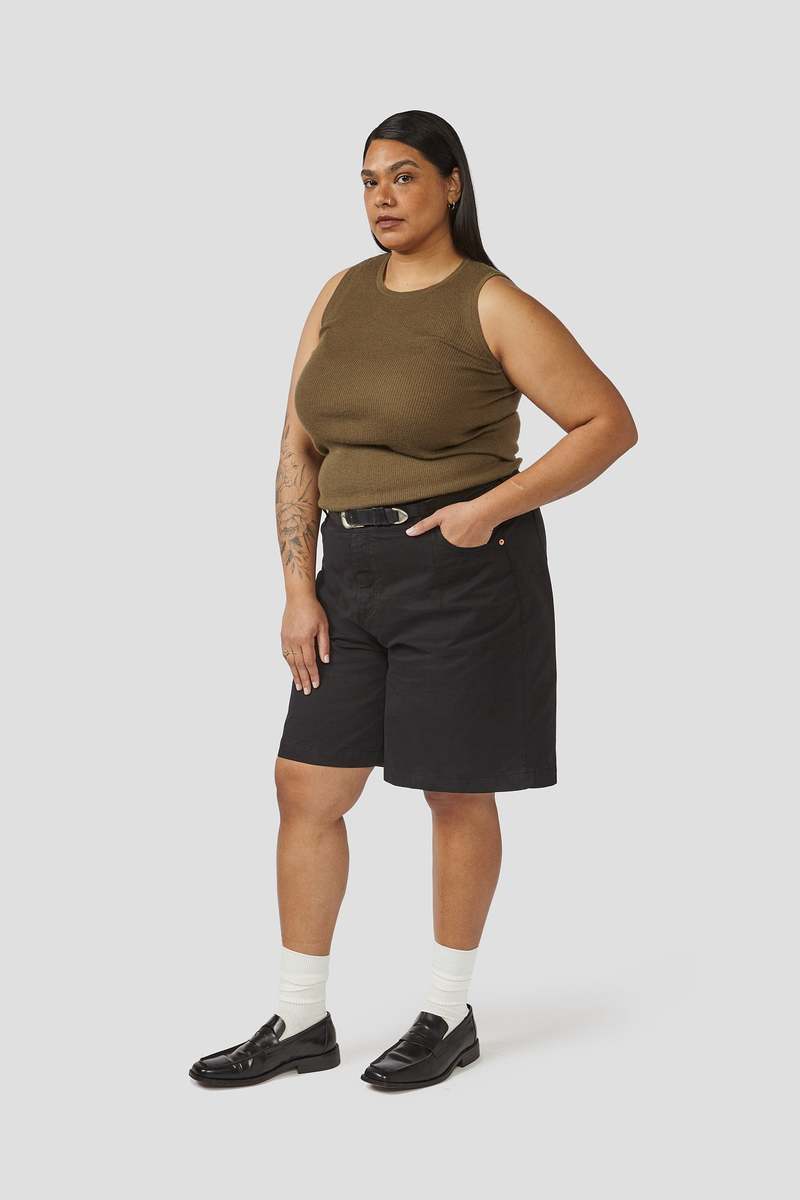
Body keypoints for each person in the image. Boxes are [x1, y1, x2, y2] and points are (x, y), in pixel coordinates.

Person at [189, 110, 638, 1091]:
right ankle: (300, 1019)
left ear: (451, 185)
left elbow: (606, 422)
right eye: (367, 180)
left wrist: (490, 508)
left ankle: (446, 1012)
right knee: (305, 786)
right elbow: (297, 446)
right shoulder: (339, 294)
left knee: (452, 790)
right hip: (346, 578)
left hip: (462, 576)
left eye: (402, 176)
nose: (382, 197)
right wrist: (297, 588)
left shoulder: (492, 303)